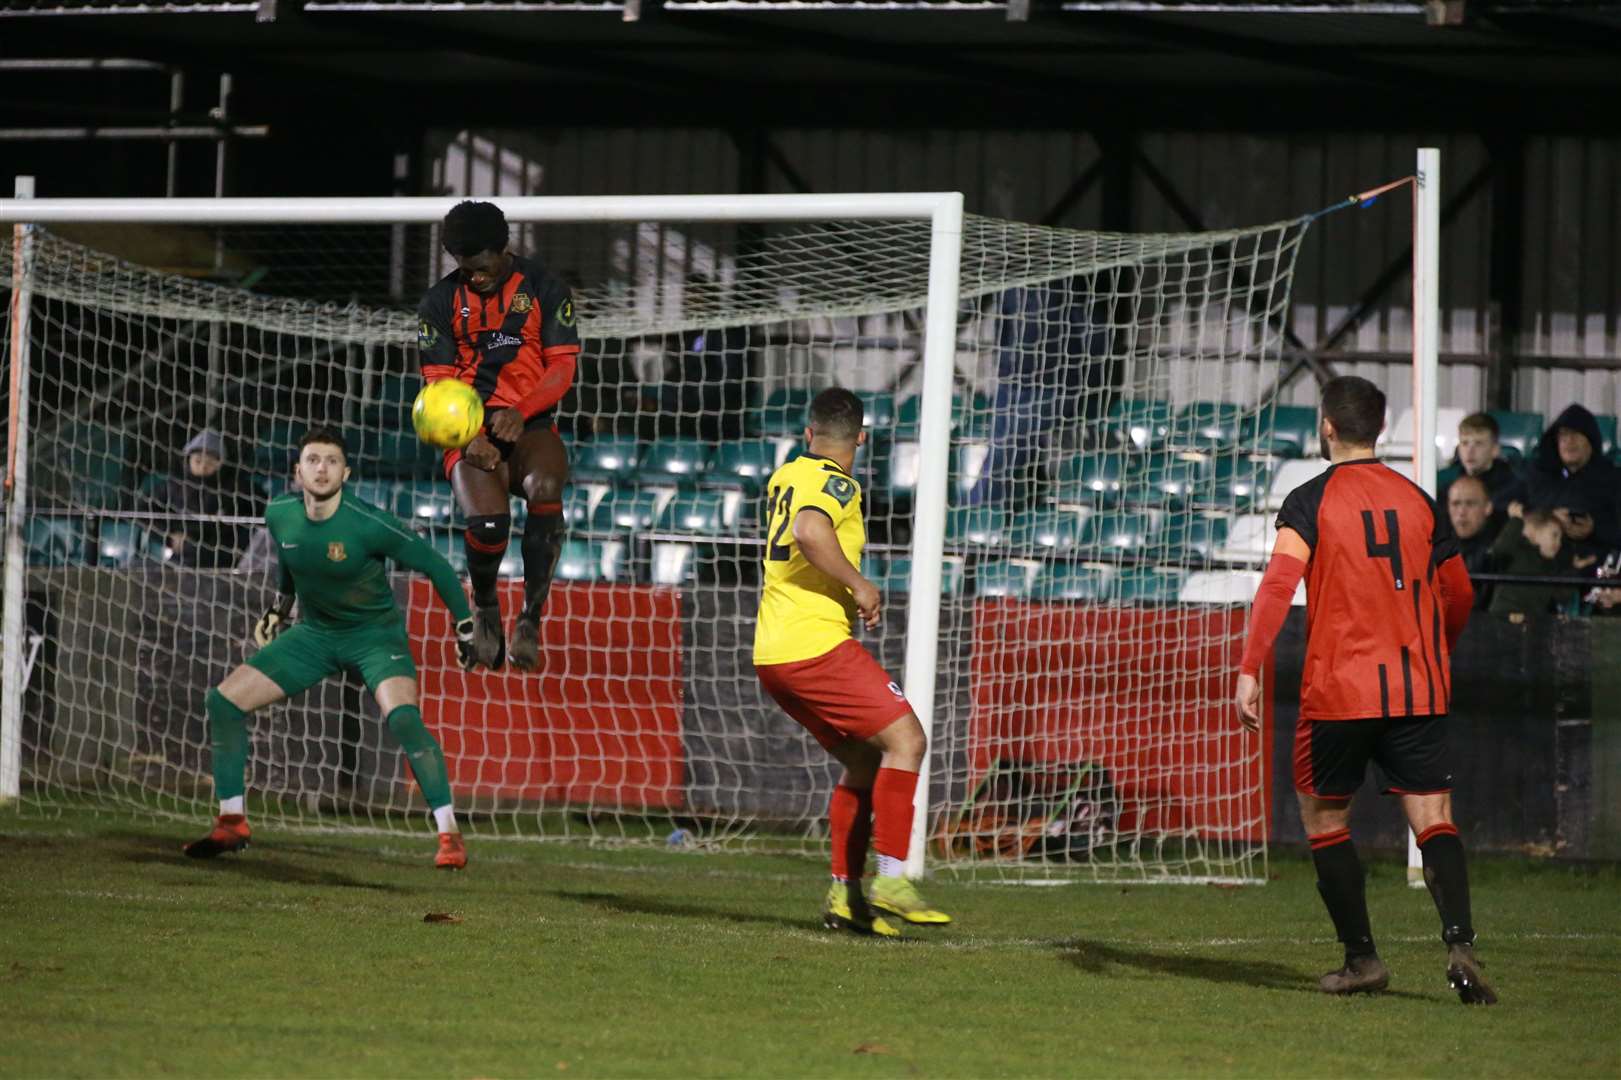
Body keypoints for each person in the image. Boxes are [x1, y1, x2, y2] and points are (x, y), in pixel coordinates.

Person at [1233, 375, 1495, 1004]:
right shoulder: (1420, 501)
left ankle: (1363, 960)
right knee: (1433, 819)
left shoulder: (1310, 500)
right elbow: (1458, 593)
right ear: (1378, 429)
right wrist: (1438, 650)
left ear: (1327, 426)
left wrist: (1250, 666)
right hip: (1416, 688)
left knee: (1324, 818)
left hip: (1340, 690)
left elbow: (1276, 587)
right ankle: (1459, 943)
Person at [183, 428, 478, 870]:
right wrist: (280, 607)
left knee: (403, 719)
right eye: (313, 460)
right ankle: (231, 822)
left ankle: (449, 836)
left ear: (347, 472)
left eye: (332, 461)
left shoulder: (368, 522)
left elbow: (435, 564)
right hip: (315, 635)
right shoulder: (279, 513)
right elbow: (289, 557)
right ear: (297, 472)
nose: (322, 468)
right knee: (223, 703)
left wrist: (466, 627)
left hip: (375, 638)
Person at [752, 387, 950, 937]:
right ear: (862, 438)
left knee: (865, 764)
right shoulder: (838, 483)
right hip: (811, 645)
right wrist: (860, 584)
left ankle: (845, 895)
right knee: (907, 741)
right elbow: (810, 530)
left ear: (808, 434)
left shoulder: (785, 476)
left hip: (772, 654)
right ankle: (891, 877)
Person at [417, 200, 580, 671]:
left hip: (530, 425)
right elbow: (440, 383)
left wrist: (521, 410)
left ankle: (531, 616)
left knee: (546, 490)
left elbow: (562, 366)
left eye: (482, 266)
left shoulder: (545, 288)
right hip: (467, 432)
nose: (474, 277)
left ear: (503, 249)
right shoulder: (438, 302)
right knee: (489, 525)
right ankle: (486, 607)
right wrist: (469, 439)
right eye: (464, 268)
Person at [1498, 403, 1620, 562]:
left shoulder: (1613, 479)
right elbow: (1496, 503)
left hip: (1591, 563)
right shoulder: (1537, 474)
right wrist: (1541, 517)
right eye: (1563, 435)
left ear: (1591, 440)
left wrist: (1594, 529)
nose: (1569, 441)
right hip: (1536, 564)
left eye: (1576, 434)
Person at [156, 429, 262, 569]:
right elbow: (145, 512)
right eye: (198, 461)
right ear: (188, 460)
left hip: (223, 559)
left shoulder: (238, 487)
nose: (203, 467)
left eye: (210, 462)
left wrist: (242, 545)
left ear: (221, 463)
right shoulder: (174, 486)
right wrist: (168, 536)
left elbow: (262, 515)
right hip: (184, 556)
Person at [1486, 506, 1577, 617]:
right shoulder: (1517, 550)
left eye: (1560, 539)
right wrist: (1516, 521)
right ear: (1533, 530)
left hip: (1532, 625)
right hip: (1503, 618)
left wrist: (1574, 571)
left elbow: (1560, 596)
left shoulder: (1550, 566)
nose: (1559, 543)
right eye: (1554, 535)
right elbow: (1499, 551)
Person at [1437, 413, 1516, 512]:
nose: (1470, 451)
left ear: (1495, 450)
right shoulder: (1445, 485)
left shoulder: (1512, 488)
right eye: (1465, 443)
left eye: (1478, 443)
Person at [1447, 474, 1500, 610]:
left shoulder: (1501, 548)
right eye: (1455, 503)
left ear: (1488, 507)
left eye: (1470, 504)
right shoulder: (1438, 547)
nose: (1461, 512)